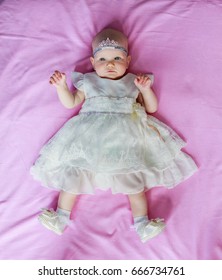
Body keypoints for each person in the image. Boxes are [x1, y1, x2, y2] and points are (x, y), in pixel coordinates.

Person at [30, 28, 198, 243]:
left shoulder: (134, 81)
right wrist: (62, 87)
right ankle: (60, 218)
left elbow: (151, 108)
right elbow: (71, 102)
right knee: (75, 175)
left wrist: (146, 90)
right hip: (88, 138)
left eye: (117, 58)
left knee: (133, 182)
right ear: (92, 61)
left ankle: (142, 224)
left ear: (128, 61)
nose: (110, 64)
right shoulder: (87, 81)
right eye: (102, 59)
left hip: (125, 140)